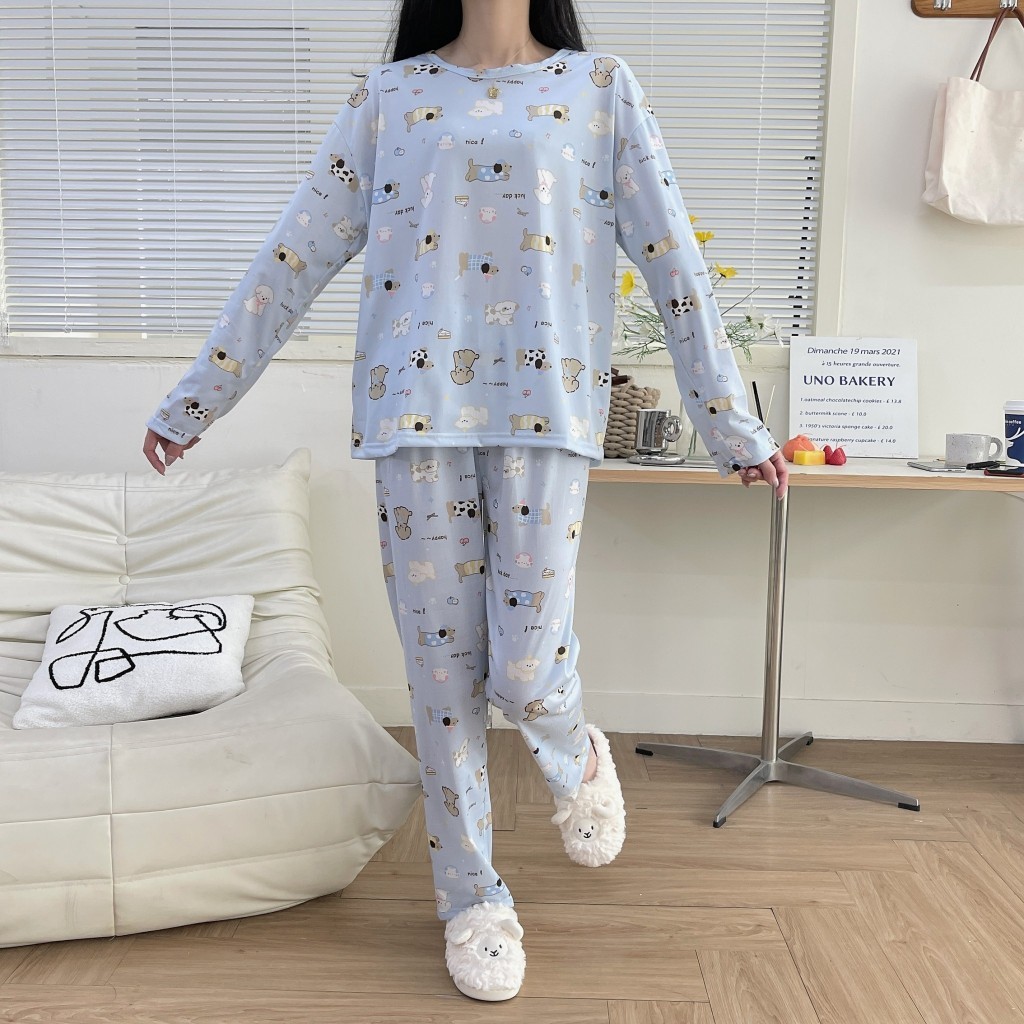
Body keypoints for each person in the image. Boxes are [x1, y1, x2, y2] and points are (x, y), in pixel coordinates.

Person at [142, 0, 788, 1002]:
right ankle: (472, 899)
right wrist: (199, 399)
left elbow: (675, 262)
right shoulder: (390, 98)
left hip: (548, 412)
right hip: (414, 415)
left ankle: (573, 745)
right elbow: (291, 256)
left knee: (523, 668)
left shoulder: (600, 90)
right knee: (442, 683)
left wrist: (731, 425)